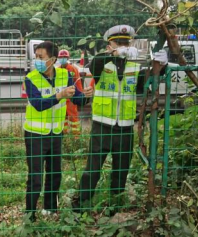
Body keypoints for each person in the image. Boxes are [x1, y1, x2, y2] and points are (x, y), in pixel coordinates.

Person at [72, 25, 168, 212]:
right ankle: (80, 206)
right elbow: (94, 63)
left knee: (120, 171)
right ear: (109, 45)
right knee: (92, 170)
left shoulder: (134, 66)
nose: (123, 46)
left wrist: (162, 65)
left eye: (126, 43)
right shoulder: (102, 63)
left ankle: (114, 209)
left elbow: (150, 80)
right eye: (119, 43)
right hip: (102, 127)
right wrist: (115, 54)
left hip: (124, 129)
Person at [23, 41, 93, 221]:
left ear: (53, 59)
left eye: (41, 57)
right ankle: (30, 215)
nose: (37, 60)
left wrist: (85, 96)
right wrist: (59, 95)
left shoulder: (65, 75)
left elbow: (75, 98)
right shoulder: (30, 78)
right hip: (35, 135)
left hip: (56, 134)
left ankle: (50, 209)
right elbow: (38, 104)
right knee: (36, 178)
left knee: (55, 174)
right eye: (36, 57)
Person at [57, 49, 84, 135]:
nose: (63, 59)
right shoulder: (57, 70)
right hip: (61, 98)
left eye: (64, 57)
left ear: (68, 58)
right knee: (62, 117)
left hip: (71, 98)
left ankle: (76, 136)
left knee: (73, 117)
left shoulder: (73, 69)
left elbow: (78, 82)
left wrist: (80, 96)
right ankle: (63, 135)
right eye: (61, 57)